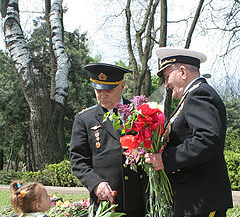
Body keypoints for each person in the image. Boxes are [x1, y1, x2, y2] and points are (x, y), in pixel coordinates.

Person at [145, 47, 233, 217]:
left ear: (183, 72)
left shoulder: (198, 94)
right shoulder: (193, 96)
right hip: (196, 200)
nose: (166, 84)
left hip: (201, 201)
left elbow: (207, 140)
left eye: (167, 76)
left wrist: (165, 159)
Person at [70, 63, 148, 217]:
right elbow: (78, 160)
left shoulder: (140, 112)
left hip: (139, 199)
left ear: (122, 86)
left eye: (108, 90)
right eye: (98, 90)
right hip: (106, 202)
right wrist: (95, 183)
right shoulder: (85, 119)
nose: (102, 95)